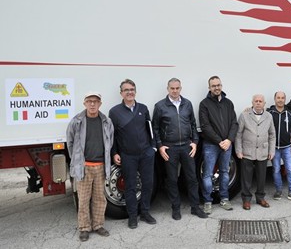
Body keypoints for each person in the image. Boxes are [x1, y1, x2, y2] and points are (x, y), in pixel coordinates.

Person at [152, 78, 207, 220]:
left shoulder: (187, 104)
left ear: (180, 88)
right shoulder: (160, 106)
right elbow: (155, 128)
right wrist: (160, 146)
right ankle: (175, 208)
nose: (175, 91)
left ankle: (195, 207)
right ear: (168, 89)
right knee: (172, 180)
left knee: (192, 178)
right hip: (170, 148)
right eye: (172, 88)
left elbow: (194, 124)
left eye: (177, 88)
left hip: (186, 147)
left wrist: (195, 142)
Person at [109, 79, 156, 229]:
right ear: (121, 93)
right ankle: (133, 216)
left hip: (146, 154)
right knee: (130, 187)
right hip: (128, 156)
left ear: (135, 91)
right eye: (126, 90)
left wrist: (153, 148)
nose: (130, 92)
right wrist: (114, 153)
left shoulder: (143, 108)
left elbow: (150, 130)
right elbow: (113, 135)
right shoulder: (114, 112)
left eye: (132, 89)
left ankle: (145, 212)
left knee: (147, 184)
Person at [66, 92, 114, 242]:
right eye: (89, 101)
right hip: (84, 167)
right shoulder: (77, 122)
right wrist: (78, 161)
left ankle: (98, 225)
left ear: (100, 104)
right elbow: (70, 143)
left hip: (100, 166)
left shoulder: (106, 121)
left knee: (100, 199)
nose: (92, 104)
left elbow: (110, 142)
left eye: (95, 101)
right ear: (84, 103)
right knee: (84, 199)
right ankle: (84, 228)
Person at [199, 76, 239, 214]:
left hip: (227, 144)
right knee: (208, 174)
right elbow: (205, 126)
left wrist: (229, 140)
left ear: (221, 86)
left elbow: (234, 123)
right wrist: (219, 141)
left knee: (224, 172)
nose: (216, 88)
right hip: (211, 145)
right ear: (209, 88)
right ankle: (207, 201)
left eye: (218, 85)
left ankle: (224, 199)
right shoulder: (204, 104)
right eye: (213, 86)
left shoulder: (228, 103)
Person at [235, 94, 276, 210]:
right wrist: (238, 150)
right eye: (256, 101)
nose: (258, 103)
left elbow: (272, 135)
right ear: (252, 103)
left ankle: (260, 198)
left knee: (262, 177)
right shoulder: (244, 115)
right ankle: (246, 199)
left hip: (263, 151)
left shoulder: (269, 116)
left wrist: (271, 150)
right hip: (247, 151)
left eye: (260, 101)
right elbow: (238, 134)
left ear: (264, 104)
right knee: (246, 178)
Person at [267, 91, 291, 203]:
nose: (280, 100)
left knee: (290, 170)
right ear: (275, 99)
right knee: (276, 169)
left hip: (287, 147)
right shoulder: (269, 113)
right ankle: (278, 190)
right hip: (274, 148)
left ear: (285, 99)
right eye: (278, 97)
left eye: (282, 98)